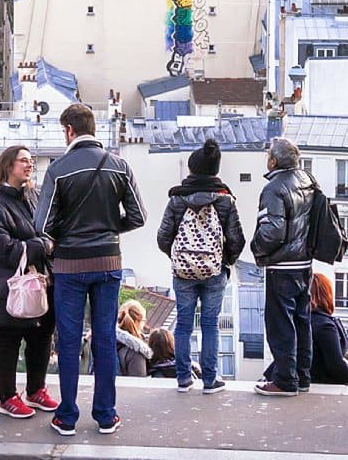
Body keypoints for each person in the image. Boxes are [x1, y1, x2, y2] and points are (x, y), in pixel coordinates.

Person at [34, 102, 146, 436]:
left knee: (69, 340)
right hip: (108, 262)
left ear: (69, 130)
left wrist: (68, 236)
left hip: (69, 265)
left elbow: (43, 224)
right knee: (105, 338)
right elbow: (138, 216)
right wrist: (110, 229)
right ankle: (105, 414)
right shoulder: (119, 166)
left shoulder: (59, 169)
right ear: (93, 128)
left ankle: (67, 415)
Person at [0, 144, 57, 420]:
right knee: (7, 341)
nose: (29, 165)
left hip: (36, 283)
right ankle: (7, 396)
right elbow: (0, 248)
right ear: (8, 166)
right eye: (23, 161)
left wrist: (40, 244)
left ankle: (36, 390)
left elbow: (48, 228)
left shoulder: (32, 196)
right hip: (4, 287)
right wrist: (40, 246)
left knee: (40, 337)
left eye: (31, 160)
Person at [154, 137, 244, 394]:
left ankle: (183, 378)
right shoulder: (225, 200)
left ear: (193, 169)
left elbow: (163, 237)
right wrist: (225, 261)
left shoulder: (177, 199)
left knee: (183, 324)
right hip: (214, 271)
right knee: (209, 324)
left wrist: (178, 257)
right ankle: (210, 379)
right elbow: (237, 239)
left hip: (183, 272)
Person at [250, 136, 314, 398]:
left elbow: (273, 230)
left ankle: (286, 380)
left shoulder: (275, 188)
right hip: (305, 262)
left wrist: (256, 248)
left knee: (280, 324)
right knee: (302, 321)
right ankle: (302, 377)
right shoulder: (307, 180)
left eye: (268, 154)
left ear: (274, 160)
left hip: (283, 265)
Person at [307, 272, 348, 385]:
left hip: (303, 378)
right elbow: (335, 365)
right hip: (320, 381)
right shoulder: (324, 326)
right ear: (326, 294)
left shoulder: (300, 320)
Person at [115, 299, 150, 377]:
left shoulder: (106, 342)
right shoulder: (136, 350)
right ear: (138, 321)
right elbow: (138, 385)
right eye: (144, 321)